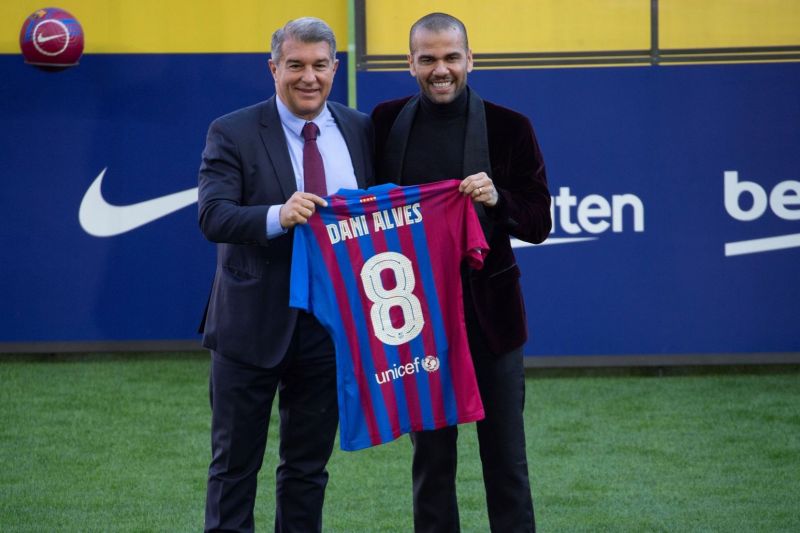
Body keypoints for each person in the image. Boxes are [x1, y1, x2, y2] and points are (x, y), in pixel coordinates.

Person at [371, 12, 551, 533]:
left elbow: (539, 222)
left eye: (451, 57)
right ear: (410, 64)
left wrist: (497, 199)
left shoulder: (510, 127)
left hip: (491, 322)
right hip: (416, 322)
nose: (441, 69)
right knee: (430, 465)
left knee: (506, 463)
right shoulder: (384, 123)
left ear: (470, 59)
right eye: (427, 58)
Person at [197, 17, 373, 533]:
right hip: (250, 326)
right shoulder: (231, 130)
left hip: (329, 325)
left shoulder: (362, 129)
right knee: (233, 468)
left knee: (307, 470)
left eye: (319, 65)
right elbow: (213, 216)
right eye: (295, 65)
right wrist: (279, 214)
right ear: (272, 68)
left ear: (335, 68)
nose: (308, 77)